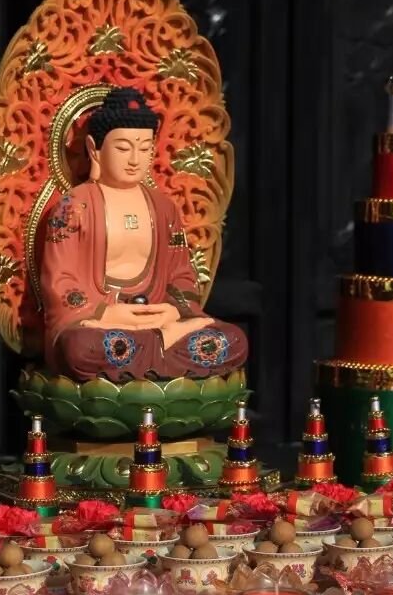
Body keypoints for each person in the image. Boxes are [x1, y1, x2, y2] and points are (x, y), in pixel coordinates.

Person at [40, 86, 248, 382]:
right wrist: (107, 314)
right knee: (80, 348)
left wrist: (173, 312)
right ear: (94, 149)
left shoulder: (164, 209)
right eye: (123, 148)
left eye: (145, 148)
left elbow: (181, 275)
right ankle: (160, 354)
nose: (135, 159)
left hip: (160, 322)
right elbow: (60, 281)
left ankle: (147, 354)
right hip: (102, 325)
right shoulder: (73, 206)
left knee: (234, 341)